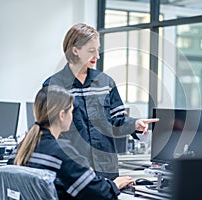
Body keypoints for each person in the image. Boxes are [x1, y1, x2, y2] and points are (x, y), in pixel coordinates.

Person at [42, 23, 159, 179]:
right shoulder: (53, 86)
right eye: (91, 51)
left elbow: (116, 122)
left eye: (98, 49)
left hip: (106, 169)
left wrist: (135, 124)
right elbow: (47, 132)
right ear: (75, 50)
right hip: (71, 170)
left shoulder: (105, 83)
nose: (97, 56)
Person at [7, 85, 134, 200]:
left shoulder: (20, 149)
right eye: (72, 111)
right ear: (62, 115)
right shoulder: (62, 153)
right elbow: (99, 194)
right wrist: (115, 184)